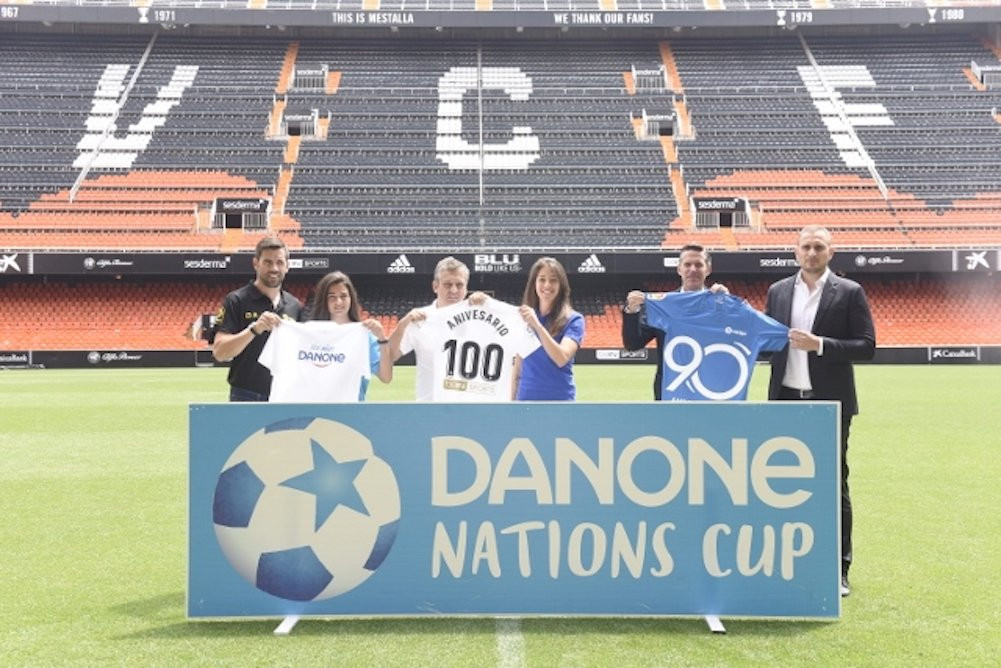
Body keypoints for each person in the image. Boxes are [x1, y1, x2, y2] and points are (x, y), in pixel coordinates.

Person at [765, 225, 876, 598]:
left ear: (831, 252)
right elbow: (765, 342)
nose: (811, 253)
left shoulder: (849, 292)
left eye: (819, 247)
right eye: (806, 247)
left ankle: (838, 569)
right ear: (795, 251)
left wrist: (821, 345)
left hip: (829, 403)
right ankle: (785, 562)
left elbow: (866, 346)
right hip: (784, 401)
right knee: (779, 484)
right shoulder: (777, 291)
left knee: (833, 485)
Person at [258, 271, 392, 402]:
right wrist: (280, 327)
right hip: (315, 413)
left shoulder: (363, 336)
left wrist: (382, 338)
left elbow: (386, 377)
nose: (338, 302)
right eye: (332, 297)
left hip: (351, 415)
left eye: (343, 296)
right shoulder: (306, 335)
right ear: (324, 300)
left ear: (351, 298)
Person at [621, 244, 726, 400]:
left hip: (710, 389)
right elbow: (633, 344)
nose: (693, 269)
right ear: (679, 269)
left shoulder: (721, 303)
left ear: (708, 269)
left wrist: (729, 306)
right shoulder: (663, 305)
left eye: (698, 264)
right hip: (670, 390)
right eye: (687, 264)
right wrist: (632, 310)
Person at [212, 236, 303, 401]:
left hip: (285, 394)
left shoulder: (294, 305)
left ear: (287, 266)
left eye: (280, 262)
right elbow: (219, 352)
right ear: (256, 263)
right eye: (268, 262)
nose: (274, 268)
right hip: (246, 394)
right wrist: (253, 330)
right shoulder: (236, 300)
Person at [388, 256, 471, 401]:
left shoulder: (480, 320)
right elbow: (391, 355)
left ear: (466, 288)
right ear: (435, 286)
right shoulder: (419, 320)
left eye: (459, 284)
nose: (453, 290)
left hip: (469, 409)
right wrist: (403, 324)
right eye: (447, 284)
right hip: (429, 409)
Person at [513, 257, 585, 400]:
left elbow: (562, 358)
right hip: (525, 401)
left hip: (560, 401)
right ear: (534, 283)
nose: (547, 285)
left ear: (561, 285)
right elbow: (517, 370)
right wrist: (510, 404)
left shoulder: (574, 320)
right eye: (542, 279)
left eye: (553, 280)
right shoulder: (522, 318)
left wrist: (537, 326)